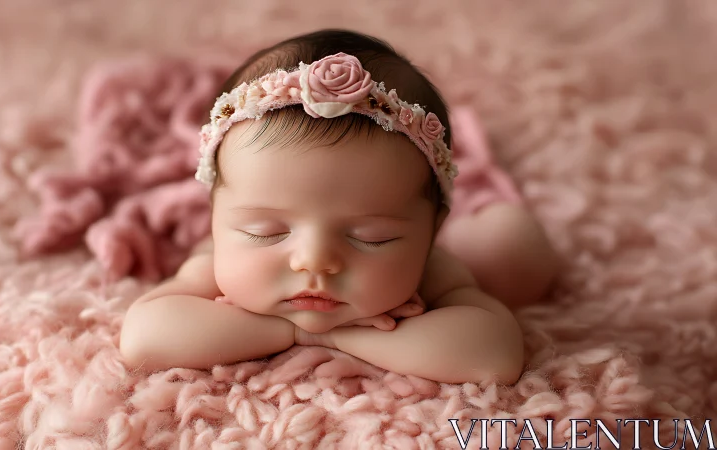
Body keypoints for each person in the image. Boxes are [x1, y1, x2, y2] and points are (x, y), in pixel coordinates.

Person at [119, 29, 560, 384]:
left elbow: (493, 354)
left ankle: (483, 219)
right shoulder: (212, 264)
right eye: (265, 231)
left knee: (512, 249)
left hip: (473, 249)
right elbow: (145, 337)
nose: (315, 261)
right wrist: (299, 331)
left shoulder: (433, 272)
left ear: (430, 233)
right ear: (215, 217)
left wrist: (340, 340)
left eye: (372, 237)